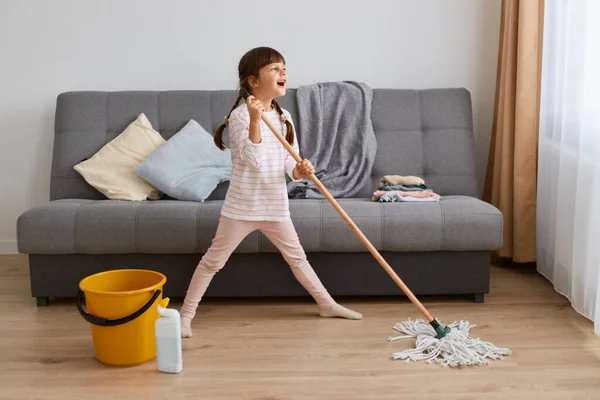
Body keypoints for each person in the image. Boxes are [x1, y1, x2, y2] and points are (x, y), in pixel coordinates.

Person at [179, 47, 362, 338]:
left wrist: (299, 170)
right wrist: (254, 119)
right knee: (213, 262)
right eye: (275, 69)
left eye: (284, 68)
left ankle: (326, 304)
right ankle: (185, 317)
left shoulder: (283, 115)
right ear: (253, 81)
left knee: (298, 259)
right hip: (242, 207)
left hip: (275, 205)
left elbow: (288, 161)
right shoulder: (240, 117)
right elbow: (252, 161)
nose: (283, 74)